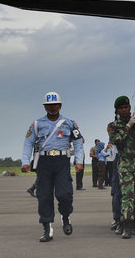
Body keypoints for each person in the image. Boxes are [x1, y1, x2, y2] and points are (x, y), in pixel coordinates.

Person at [21, 92, 84, 242]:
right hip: (44, 162)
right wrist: (24, 161)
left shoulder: (69, 123)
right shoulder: (36, 124)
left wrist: (79, 161)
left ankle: (66, 216)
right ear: (44, 107)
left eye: (55, 104)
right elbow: (28, 143)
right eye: (49, 105)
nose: (52, 107)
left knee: (64, 194)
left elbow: (78, 142)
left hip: (62, 161)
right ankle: (47, 228)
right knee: (44, 196)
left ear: (60, 106)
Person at [107, 96, 135, 239]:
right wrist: (128, 126)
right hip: (125, 165)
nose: (124, 110)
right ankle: (126, 223)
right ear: (117, 110)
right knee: (127, 195)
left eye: (126, 107)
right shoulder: (113, 126)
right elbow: (117, 141)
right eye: (121, 108)